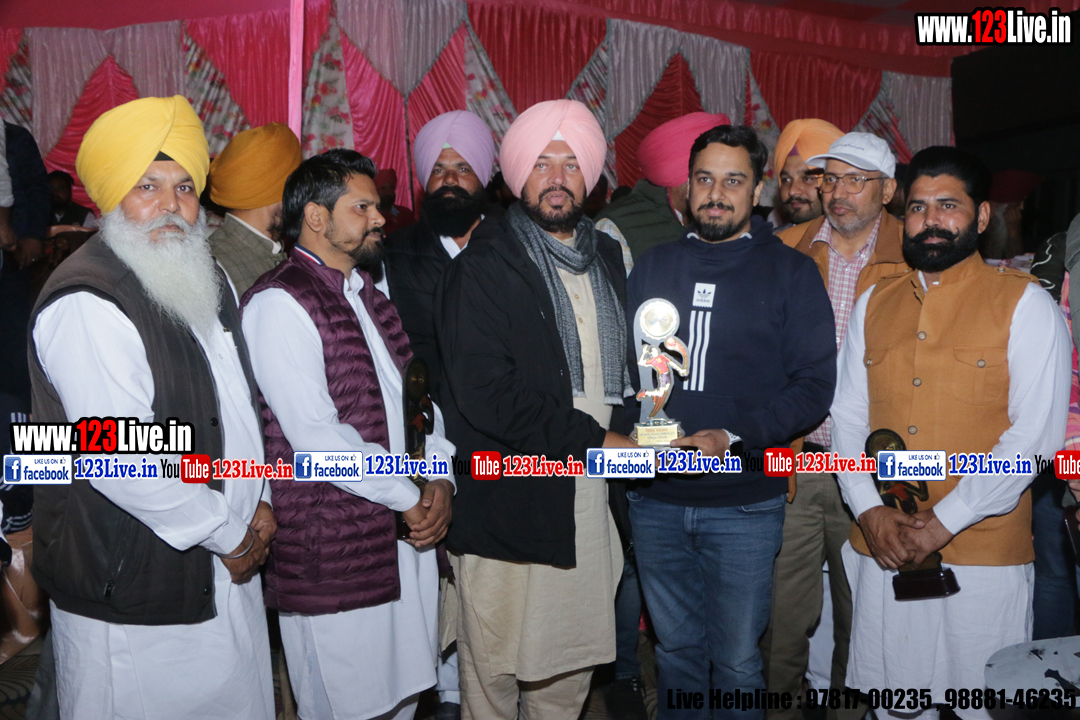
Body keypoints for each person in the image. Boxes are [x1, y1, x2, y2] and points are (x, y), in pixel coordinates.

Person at [28, 95, 275, 719]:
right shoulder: (88, 299)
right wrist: (228, 531)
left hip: (225, 559)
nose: (171, 205)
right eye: (147, 186)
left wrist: (259, 498)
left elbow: (238, 406)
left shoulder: (205, 275)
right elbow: (120, 457)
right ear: (112, 196)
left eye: (185, 187)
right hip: (133, 584)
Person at [832, 146, 1071, 720]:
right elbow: (847, 418)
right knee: (894, 702)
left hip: (983, 552)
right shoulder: (873, 303)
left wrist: (943, 522)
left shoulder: (1024, 304)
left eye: (948, 205)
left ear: (981, 216)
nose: (931, 220)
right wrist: (869, 511)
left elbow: (1033, 441)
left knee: (979, 705)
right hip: (887, 547)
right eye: (918, 207)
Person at [625, 124, 835, 719]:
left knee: (740, 660)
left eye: (733, 181)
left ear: (758, 190)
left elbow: (815, 387)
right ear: (686, 186)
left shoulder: (791, 273)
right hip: (656, 499)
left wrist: (733, 435)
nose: (716, 194)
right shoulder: (652, 267)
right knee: (675, 653)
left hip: (745, 502)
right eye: (704, 179)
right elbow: (630, 374)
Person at [436, 98, 635, 719]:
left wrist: (650, 436)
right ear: (517, 175)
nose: (556, 178)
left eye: (571, 164)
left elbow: (627, 378)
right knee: (492, 677)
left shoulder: (608, 256)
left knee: (567, 676)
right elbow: (486, 393)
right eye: (542, 164)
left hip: (588, 502)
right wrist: (598, 442)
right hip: (509, 502)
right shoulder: (484, 266)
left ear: (591, 177)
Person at [242, 149, 456, 720]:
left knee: (404, 697)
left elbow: (418, 406)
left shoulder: (369, 295)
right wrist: (409, 495)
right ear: (316, 217)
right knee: (348, 704)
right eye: (362, 207)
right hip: (333, 547)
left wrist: (440, 479)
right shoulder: (279, 301)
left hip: (401, 535)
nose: (380, 218)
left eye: (377, 206)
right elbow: (317, 441)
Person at [764, 132, 906, 716]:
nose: (837, 192)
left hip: (877, 471)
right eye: (829, 179)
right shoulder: (784, 249)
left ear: (888, 191)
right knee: (780, 621)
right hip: (795, 464)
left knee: (865, 621)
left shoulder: (915, 253)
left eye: (855, 180)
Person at [385, 109, 497, 404]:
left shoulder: (513, 248)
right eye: (438, 170)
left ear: (482, 176)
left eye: (463, 169)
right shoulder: (392, 255)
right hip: (427, 414)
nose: (449, 179)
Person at [597, 112, 729, 274]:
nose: (719, 191)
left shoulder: (724, 220)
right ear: (684, 178)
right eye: (707, 178)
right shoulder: (616, 229)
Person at [206, 122, 301, 296]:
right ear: (278, 190)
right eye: (297, 186)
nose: (302, 197)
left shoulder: (282, 254)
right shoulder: (216, 269)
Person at [770, 119, 844, 231]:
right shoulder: (772, 240)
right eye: (786, 180)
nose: (792, 191)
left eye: (807, 178)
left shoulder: (865, 240)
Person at [375, 168, 415, 236]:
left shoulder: (406, 214)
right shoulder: (368, 216)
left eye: (391, 188)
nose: (388, 192)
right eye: (383, 188)